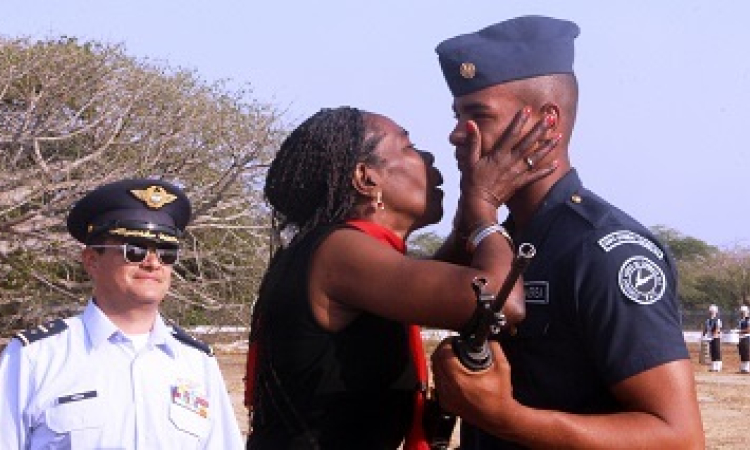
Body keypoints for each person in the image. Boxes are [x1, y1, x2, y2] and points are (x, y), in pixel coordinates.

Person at [429, 15, 704, 449]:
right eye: (458, 116)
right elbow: (416, 299)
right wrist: (474, 215)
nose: (457, 134)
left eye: (478, 116)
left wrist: (504, 418)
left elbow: (678, 438)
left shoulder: (602, 250)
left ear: (547, 123)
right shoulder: (500, 240)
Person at [245, 105, 559, 449]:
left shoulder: (331, 249)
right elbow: (501, 301)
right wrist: (484, 209)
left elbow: (433, 281)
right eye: (408, 147)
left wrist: (467, 213)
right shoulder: (341, 251)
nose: (427, 157)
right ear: (367, 179)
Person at [0, 178, 244, 449]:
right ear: (92, 261)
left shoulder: (198, 363)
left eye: (167, 253)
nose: (153, 263)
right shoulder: (35, 358)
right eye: (135, 250)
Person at [703, 304, 723, 372]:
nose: (711, 313)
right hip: (710, 337)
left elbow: (718, 329)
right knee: (712, 351)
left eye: (713, 311)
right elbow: (705, 328)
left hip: (716, 337)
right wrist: (704, 335)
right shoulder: (708, 320)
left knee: (717, 351)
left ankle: (718, 367)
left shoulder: (718, 320)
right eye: (711, 311)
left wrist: (713, 334)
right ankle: (713, 366)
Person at [737, 305, 749, 373]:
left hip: (747, 337)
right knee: (742, 353)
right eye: (741, 312)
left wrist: (740, 331)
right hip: (741, 338)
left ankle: (747, 368)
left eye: (743, 312)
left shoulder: (748, 320)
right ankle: (743, 368)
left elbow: (748, 329)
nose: (742, 313)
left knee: (746, 353)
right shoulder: (741, 320)